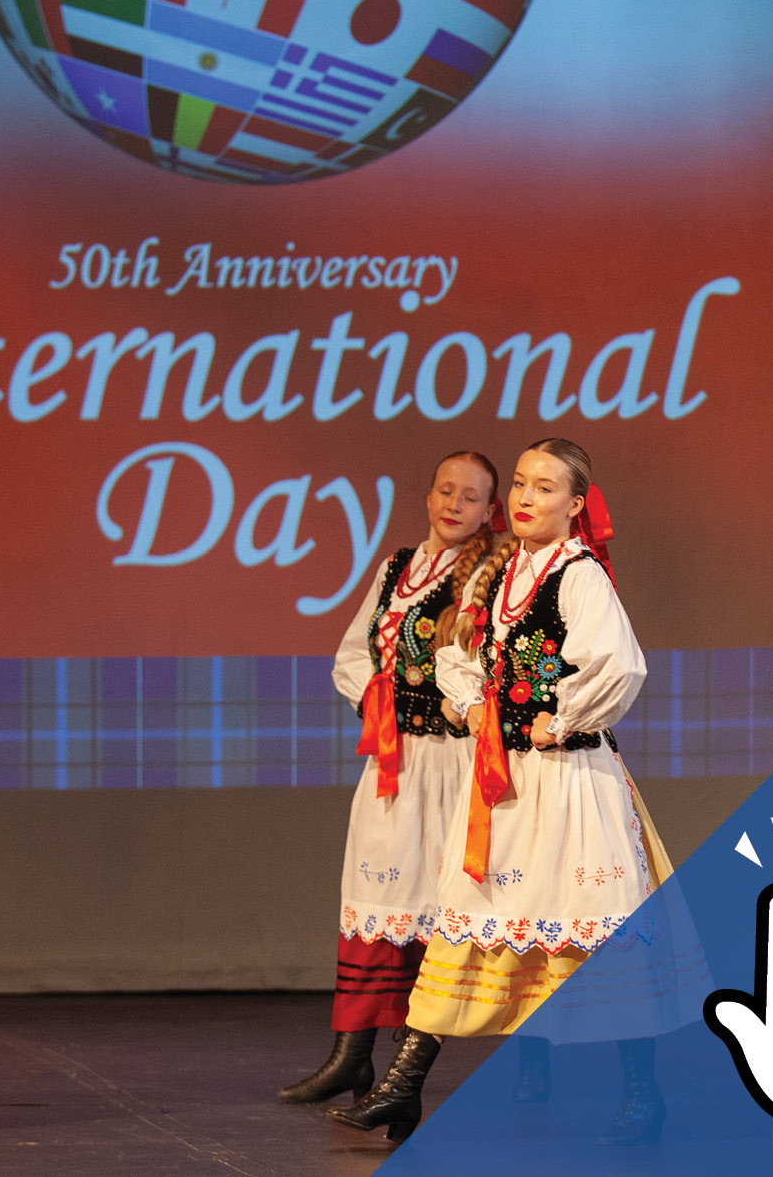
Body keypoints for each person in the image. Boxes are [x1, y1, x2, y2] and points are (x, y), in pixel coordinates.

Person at [330, 439, 675, 1145]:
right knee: (464, 921)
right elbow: (457, 653)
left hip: (573, 783)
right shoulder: (503, 572)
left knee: (593, 931)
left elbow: (619, 665)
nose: (524, 497)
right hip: (506, 781)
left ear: (575, 505)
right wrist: (466, 701)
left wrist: (563, 715)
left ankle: (644, 1093)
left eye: (544, 487)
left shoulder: (578, 575)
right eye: (519, 483)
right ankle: (402, 1088)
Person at [279, 451, 502, 1105]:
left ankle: (415, 1066)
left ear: (490, 510)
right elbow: (353, 653)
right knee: (378, 898)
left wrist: (444, 702)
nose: (453, 504)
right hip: (393, 760)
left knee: (445, 905)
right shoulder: (396, 568)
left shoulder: (492, 572)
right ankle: (352, 1054)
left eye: (470, 496)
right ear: (429, 494)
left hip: (451, 760)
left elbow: (480, 663)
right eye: (445, 489)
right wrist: (376, 699)